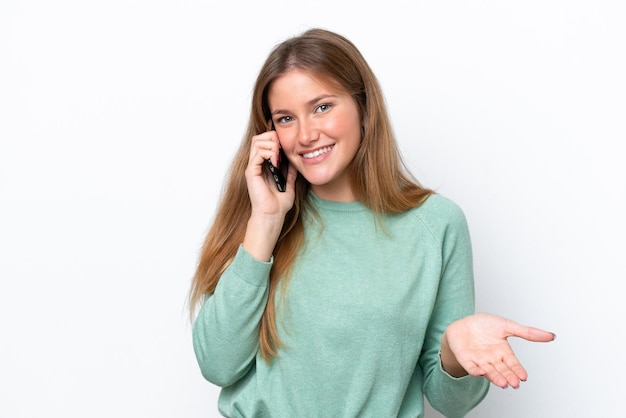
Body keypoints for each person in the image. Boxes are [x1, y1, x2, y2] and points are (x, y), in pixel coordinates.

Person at [188, 27, 555, 418]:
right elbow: (218, 364)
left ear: (363, 107)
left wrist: (453, 352)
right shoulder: (262, 221)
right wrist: (265, 221)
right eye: (285, 118)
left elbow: (451, 402)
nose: (306, 135)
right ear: (270, 132)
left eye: (323, 107)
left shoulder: (435, 224)